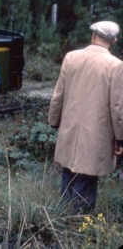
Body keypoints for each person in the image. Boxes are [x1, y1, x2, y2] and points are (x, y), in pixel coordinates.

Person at [48, 21, 123, 213]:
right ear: (113, 41)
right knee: (88, 176)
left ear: (93, 36)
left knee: (68, 171)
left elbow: (58, 95)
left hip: (69, 128)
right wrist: (120, 139)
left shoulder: (71, 57)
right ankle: (78, 221)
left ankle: (61, 216)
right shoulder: (116, 66)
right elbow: (117, 106)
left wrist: (54, 121)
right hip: (96, 134)